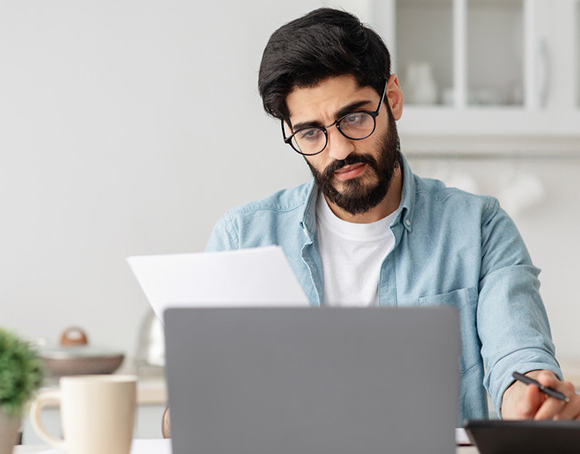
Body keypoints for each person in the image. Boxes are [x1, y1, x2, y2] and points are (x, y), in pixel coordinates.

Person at [162, 7, 580, 437]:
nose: (339, 149)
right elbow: (186, 413)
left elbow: (518, 357)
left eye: (355, 117)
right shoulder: (242, 238)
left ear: (392, 98)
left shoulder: (479, 228)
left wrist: (530, 397)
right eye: (310, 132)